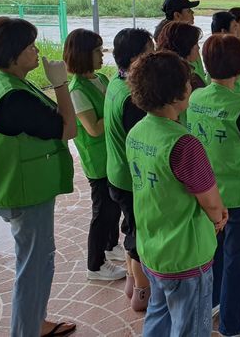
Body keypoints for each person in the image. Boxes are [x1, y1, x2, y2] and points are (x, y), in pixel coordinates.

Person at [0, 17, 77, 337]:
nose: (36, 51)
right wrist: (61, 84)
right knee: (33, 267)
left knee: (39, 260)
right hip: (25, 191)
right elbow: (67, 129)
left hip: (28, 187)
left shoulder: (11, 82)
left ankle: (36, 322)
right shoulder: (14, 97)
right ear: (12, 54)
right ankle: (26, 330)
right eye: (30, 46)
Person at [126, 51, 227, 337]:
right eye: (186, 81)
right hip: (185, 255)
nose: (190, 86)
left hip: (152, 248)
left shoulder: (138, 131)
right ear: (176, 94)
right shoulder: (184, 144)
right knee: (191, 327)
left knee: (159, 314)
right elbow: (210, 202)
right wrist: (219, 217)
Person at [188, 34, 240, 337]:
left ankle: (213, 302)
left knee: (215, 251)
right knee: (237, 259)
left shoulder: (194, 98)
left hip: (206, 192)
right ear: (238, 70)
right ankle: (233, 325)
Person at [63, 29, 126, 282]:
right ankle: (95, 264)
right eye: (97, 51)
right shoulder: (76, 89)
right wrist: (116, 112)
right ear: (82, 55)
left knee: (114, 208)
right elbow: (93, 128)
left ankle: (111, 246)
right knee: (102, 212)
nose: (102, 56)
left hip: (111, 156)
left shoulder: (100, 78)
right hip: (98, 160)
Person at [104, 28, 154, 311]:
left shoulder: (116, 81)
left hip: (117, 173)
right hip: (130, 177)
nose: (154, 56)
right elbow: (142, 144)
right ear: (136, 58)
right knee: (138, 236)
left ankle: (131, 284)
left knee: (130, 228)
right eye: (150, 51)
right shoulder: (132, 99)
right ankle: (142, 293)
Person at [156, 21, 209, 90]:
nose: (198, 47)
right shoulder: (190, 80)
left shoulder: (158, 73)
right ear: (186, 46)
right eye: (196, 44)